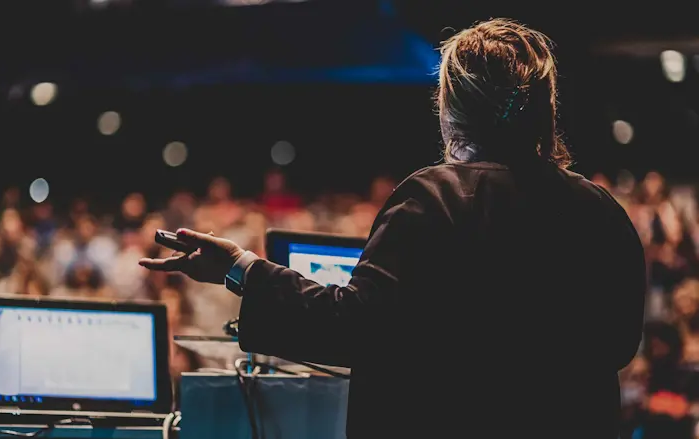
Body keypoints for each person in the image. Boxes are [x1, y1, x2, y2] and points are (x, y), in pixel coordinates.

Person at [139, 18, 646, 439]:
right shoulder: (600, 210)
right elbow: (620, 344)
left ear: (450, 109)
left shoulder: (435, 198)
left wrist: (241, 269)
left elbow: (355, 326)